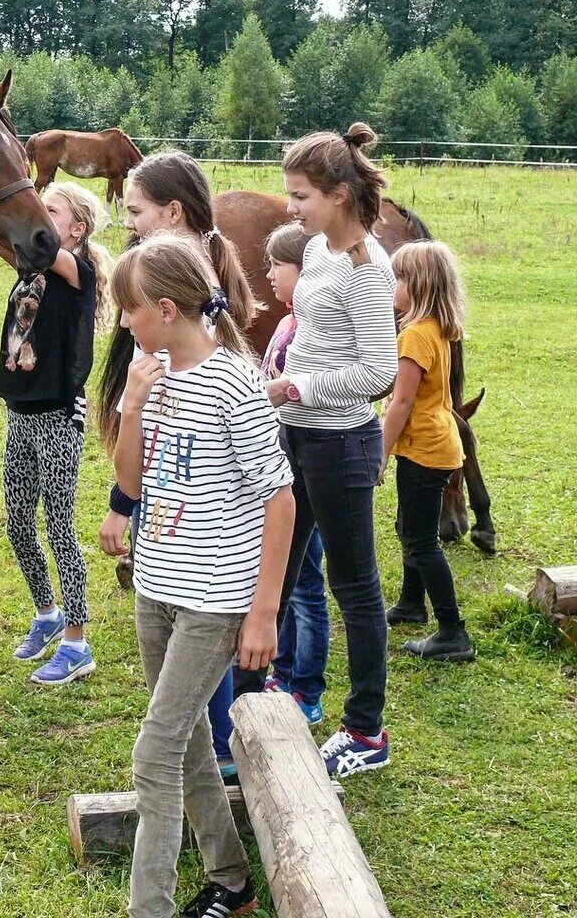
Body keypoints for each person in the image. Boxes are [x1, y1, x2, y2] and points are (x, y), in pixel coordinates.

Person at [112, 233, 294, 918]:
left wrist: (264, 612)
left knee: (154, 755)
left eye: (129, 309)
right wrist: (131, 403)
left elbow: (281, 497)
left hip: (213, 600)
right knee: (183, 741)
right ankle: (232, 879)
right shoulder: (151, 374)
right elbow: (131, 482)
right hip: (154, 587)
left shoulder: (233, 383)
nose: (123, 322)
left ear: (165, 308)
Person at [94, 150, 259, 781]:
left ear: (173, 213)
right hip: (170, 524)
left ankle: (216, 750)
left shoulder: (188, 324)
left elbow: (265, 489)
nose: (129, 224)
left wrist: (122, 503)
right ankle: (204, 761)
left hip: (202, 544)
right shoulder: (172, 300)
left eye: (135, 213)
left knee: (196, 657)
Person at [254, 122, 399, 779]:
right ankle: (255, 695)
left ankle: (365, 731)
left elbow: (378, 373)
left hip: (341, 443)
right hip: (297, 431)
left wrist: (301, 385)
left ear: (340, 194)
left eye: (302, 195)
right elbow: (311, 334)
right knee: (277, 569)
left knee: (354, 586)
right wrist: (275, 379)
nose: (291, 207)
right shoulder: (316, 252)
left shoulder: (370, 269)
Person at [0, 181, 114, 686]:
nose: (38, 216)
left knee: (59, 524)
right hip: (21, 411)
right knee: (18, 520)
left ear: (76, 228)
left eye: (50, 210)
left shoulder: (77, 272)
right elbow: (8, 241)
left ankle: (77, 641)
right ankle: (47, 612)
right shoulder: (32, 269)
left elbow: (46, 252)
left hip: (59, 415)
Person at [380, 240, 476, 661]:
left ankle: (453, 631)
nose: (392, 286)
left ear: (417, 286)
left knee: (422, 540)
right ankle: (411, 603)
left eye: (397, 279)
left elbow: (401, 402)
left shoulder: (415, 336)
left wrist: (379, 452)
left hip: (423, 448)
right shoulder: (438, 327)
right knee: (413, 529)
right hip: (435, 443)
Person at [259, 222, 329, 727]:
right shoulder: (287, 323)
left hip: (305, 462)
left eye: (275, 267)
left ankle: (307, 686)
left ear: (304, 274)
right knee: (286, 574)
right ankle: (281, 671)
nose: (267, 276)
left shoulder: (310, 331)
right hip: (284, 457)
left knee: (306, 582)